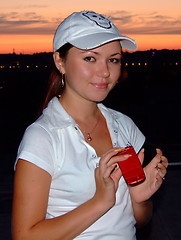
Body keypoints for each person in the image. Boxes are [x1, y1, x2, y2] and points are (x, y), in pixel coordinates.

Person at [12, 11, 168, 240]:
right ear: (60, 61)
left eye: (113, 59)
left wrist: (141, 199)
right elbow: (24, 236)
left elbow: (139, 219)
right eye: (90, 58)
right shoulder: (43, 137)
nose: (105, 72)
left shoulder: (124, 126)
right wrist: (100, 201)